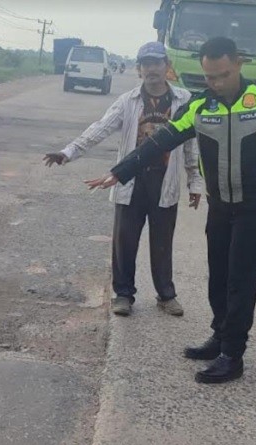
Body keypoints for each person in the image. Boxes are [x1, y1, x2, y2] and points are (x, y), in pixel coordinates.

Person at [84, 37, 256, 384]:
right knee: (218, 275)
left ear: (239, 63)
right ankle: (219, 336)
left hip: (253, 209)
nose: (215, 83)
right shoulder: (201, 106)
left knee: (241, 281)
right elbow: (161, 140)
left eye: (222, 75)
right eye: (209, 77)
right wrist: (119, 171)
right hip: (221, 206)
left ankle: (233, 354)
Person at [44, 41, 203, 317]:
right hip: (130, 182)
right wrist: (67, 152)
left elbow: (192, 145)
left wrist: (195, 181)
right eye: (146, 64)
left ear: (167, 66)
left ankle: (166, 295)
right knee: (125, 242)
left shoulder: (184, 100)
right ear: (139, 69)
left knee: (162, 243)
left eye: (157, 63)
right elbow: (99, 129)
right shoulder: (128, 101)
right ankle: (124, 295)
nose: (152, 69)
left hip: (165, 183)